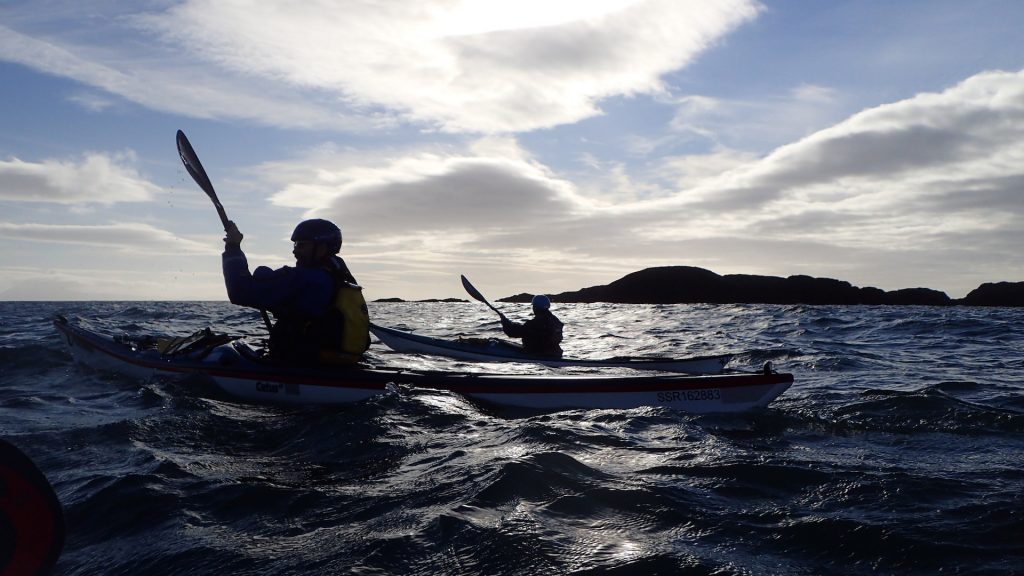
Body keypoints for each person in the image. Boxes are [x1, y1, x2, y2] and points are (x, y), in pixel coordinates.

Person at [221, 218, 370, 363]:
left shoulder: (303, 278)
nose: (295, 251)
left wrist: (233, 247)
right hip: (336, 360)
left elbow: (240, 291)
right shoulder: (339, 277)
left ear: (322, 248)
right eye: (295, 245)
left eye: (301, 245)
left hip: (302, 365)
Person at [500, 294, 564, 357]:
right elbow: (524, 329)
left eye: (533, 306)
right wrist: (510, 323)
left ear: (535, 307)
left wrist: (505, 323)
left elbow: (513, 332)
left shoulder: (536, 323)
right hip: (556, 353)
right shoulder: (555, 320)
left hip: (539, 354)